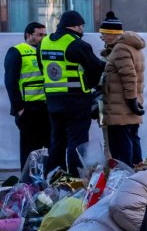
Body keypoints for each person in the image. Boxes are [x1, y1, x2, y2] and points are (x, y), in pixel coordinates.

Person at [39, 10, 104, 177]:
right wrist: (91, 84)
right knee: (77, 143)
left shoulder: (44, 42)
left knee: (57, 142)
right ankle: (76, 180)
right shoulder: (77, 44)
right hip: (76, 101)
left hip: (53, 101)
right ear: (75, 26)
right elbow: (95, 67)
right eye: (81, 26)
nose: (82, 29)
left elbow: (43, 68)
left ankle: (55, 178)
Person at [98, 12, 146, 166]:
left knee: (120, 145)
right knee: (132, 138)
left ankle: (125, 176)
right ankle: (138, 172)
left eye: (104, 34)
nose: (102, 37)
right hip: (127, 107)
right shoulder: (132, 47)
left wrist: (131, 100)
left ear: (112, 35)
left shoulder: (120, 49)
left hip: (120, 108)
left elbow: (129, 76)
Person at [5, 22, 49, 170]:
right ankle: (27, 186)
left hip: (46, 107)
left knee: (50, 149)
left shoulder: (46, 51)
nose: (43, 38)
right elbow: (11, 82)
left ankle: (47, 184)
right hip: (29, 109)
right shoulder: (17, 51)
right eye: (40, 35)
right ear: (28, 35)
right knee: (30, 151)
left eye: (45, 35)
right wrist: (19, 109)